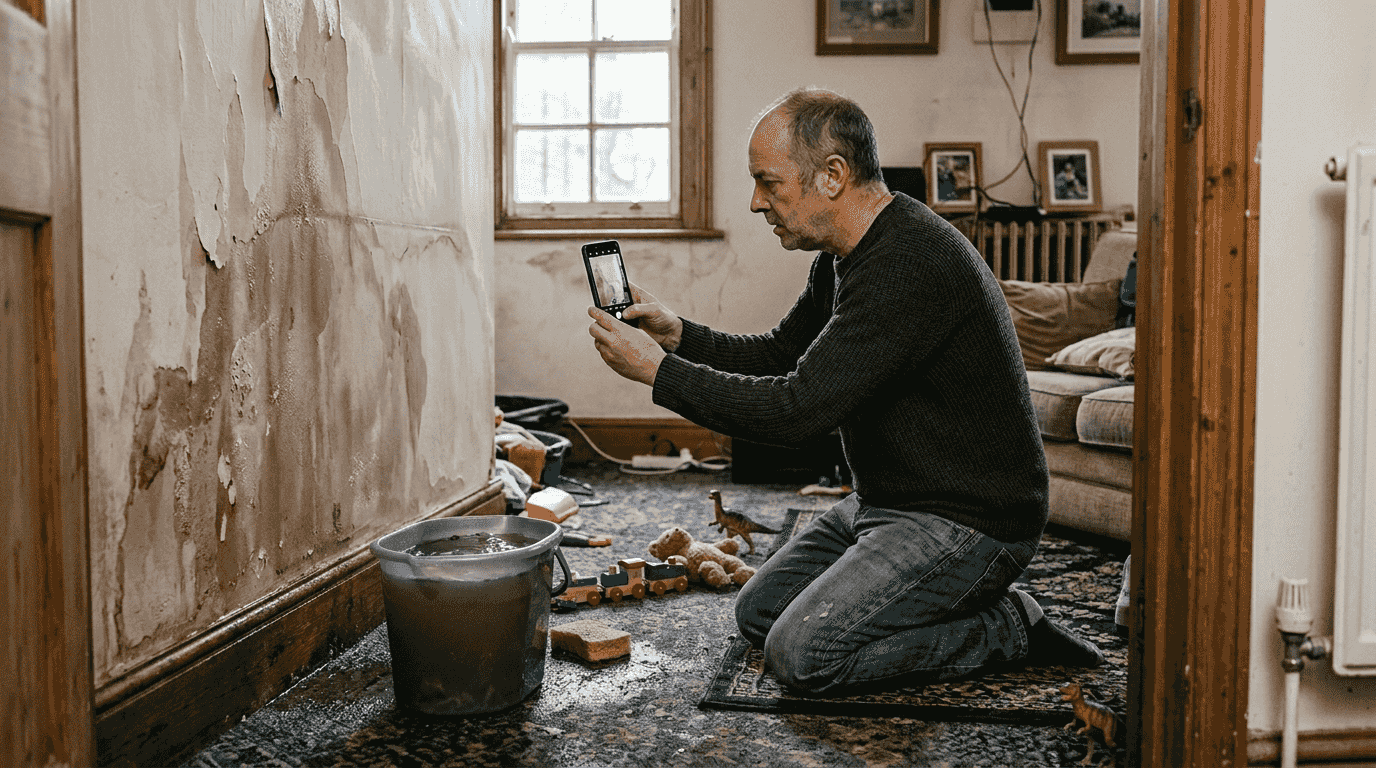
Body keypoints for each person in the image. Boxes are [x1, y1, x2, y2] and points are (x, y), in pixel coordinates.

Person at [586, 88, 1102, 695]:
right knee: (757, 615)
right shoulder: (844, 254)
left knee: (804, 656)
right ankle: (935, 601)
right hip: (890, 501)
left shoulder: (910, 262)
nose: (756, 203)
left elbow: (797, 411)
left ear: (832, 175)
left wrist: (658, 375)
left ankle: (1008, 626)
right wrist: (679, 338)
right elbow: (783, 356)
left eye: (768, 182)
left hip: (969, 520)